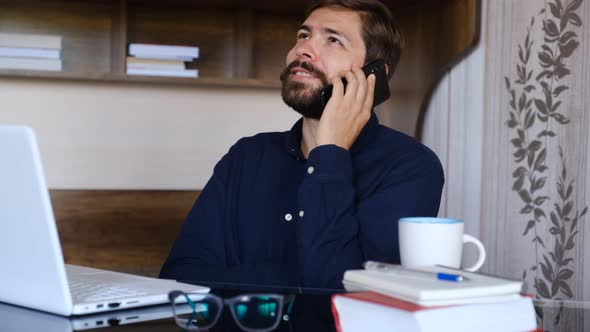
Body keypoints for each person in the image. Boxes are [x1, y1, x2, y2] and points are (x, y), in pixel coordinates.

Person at [160, 0, 444, 289]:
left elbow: (351, 295)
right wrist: (294, 282)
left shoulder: (410, 167)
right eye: (303, 35)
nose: (303, 49)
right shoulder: (246, 156)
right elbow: (179, 280)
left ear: (374, 76)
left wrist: (330, 154)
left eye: (333, 40)